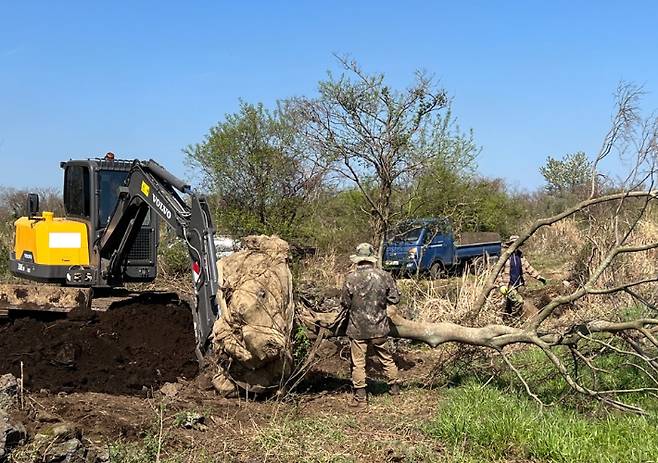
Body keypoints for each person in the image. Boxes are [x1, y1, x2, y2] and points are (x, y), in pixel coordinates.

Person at [341, 242, 401, 407]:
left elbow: (345, 303)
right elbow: (395, 298)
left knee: (358, 363)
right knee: (387, 358)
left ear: (358, 259)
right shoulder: (384, 276)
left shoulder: (350, 278)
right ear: (372, 258)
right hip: (380, 327)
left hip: (358, 329)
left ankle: (361, 398)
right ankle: (394, 390)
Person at [497, 235, 547, 316]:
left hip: (519, 284)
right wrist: (501, 285)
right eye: (514, 244)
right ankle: (514, 318)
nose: (516, 246)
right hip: (508, 284)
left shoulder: (520, 256)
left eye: (518, 244)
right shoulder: (505, 256)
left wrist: (539, 277)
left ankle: (507, 317)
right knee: (518, 301)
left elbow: (529, 268)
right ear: (510, 245)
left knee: (510, 302)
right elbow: (498, 272)